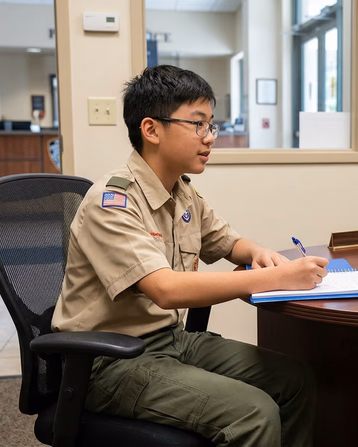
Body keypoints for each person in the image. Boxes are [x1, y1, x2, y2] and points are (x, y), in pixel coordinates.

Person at [52, 64, 328, 446]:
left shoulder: (181, 192)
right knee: (253, 412)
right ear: (151, 130)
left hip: (170, 341)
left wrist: (261, 254)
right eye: (198, 124)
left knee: (295, 380)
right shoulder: (111, 202)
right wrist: (275, 278)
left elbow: (228, 242)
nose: (210, 137)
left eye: (211, 125)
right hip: (107, 363)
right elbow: (166, 290)